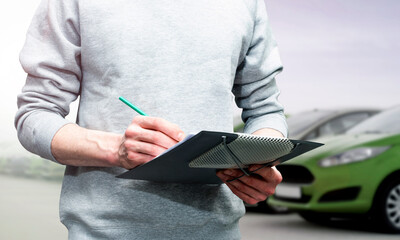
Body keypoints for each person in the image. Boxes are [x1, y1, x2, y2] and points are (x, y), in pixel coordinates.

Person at [15, 0, 287, 239]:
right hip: (102, 233)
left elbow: (266, 111)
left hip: (219, 230)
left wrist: (259, 160)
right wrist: (115, 149)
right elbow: (35, 114)